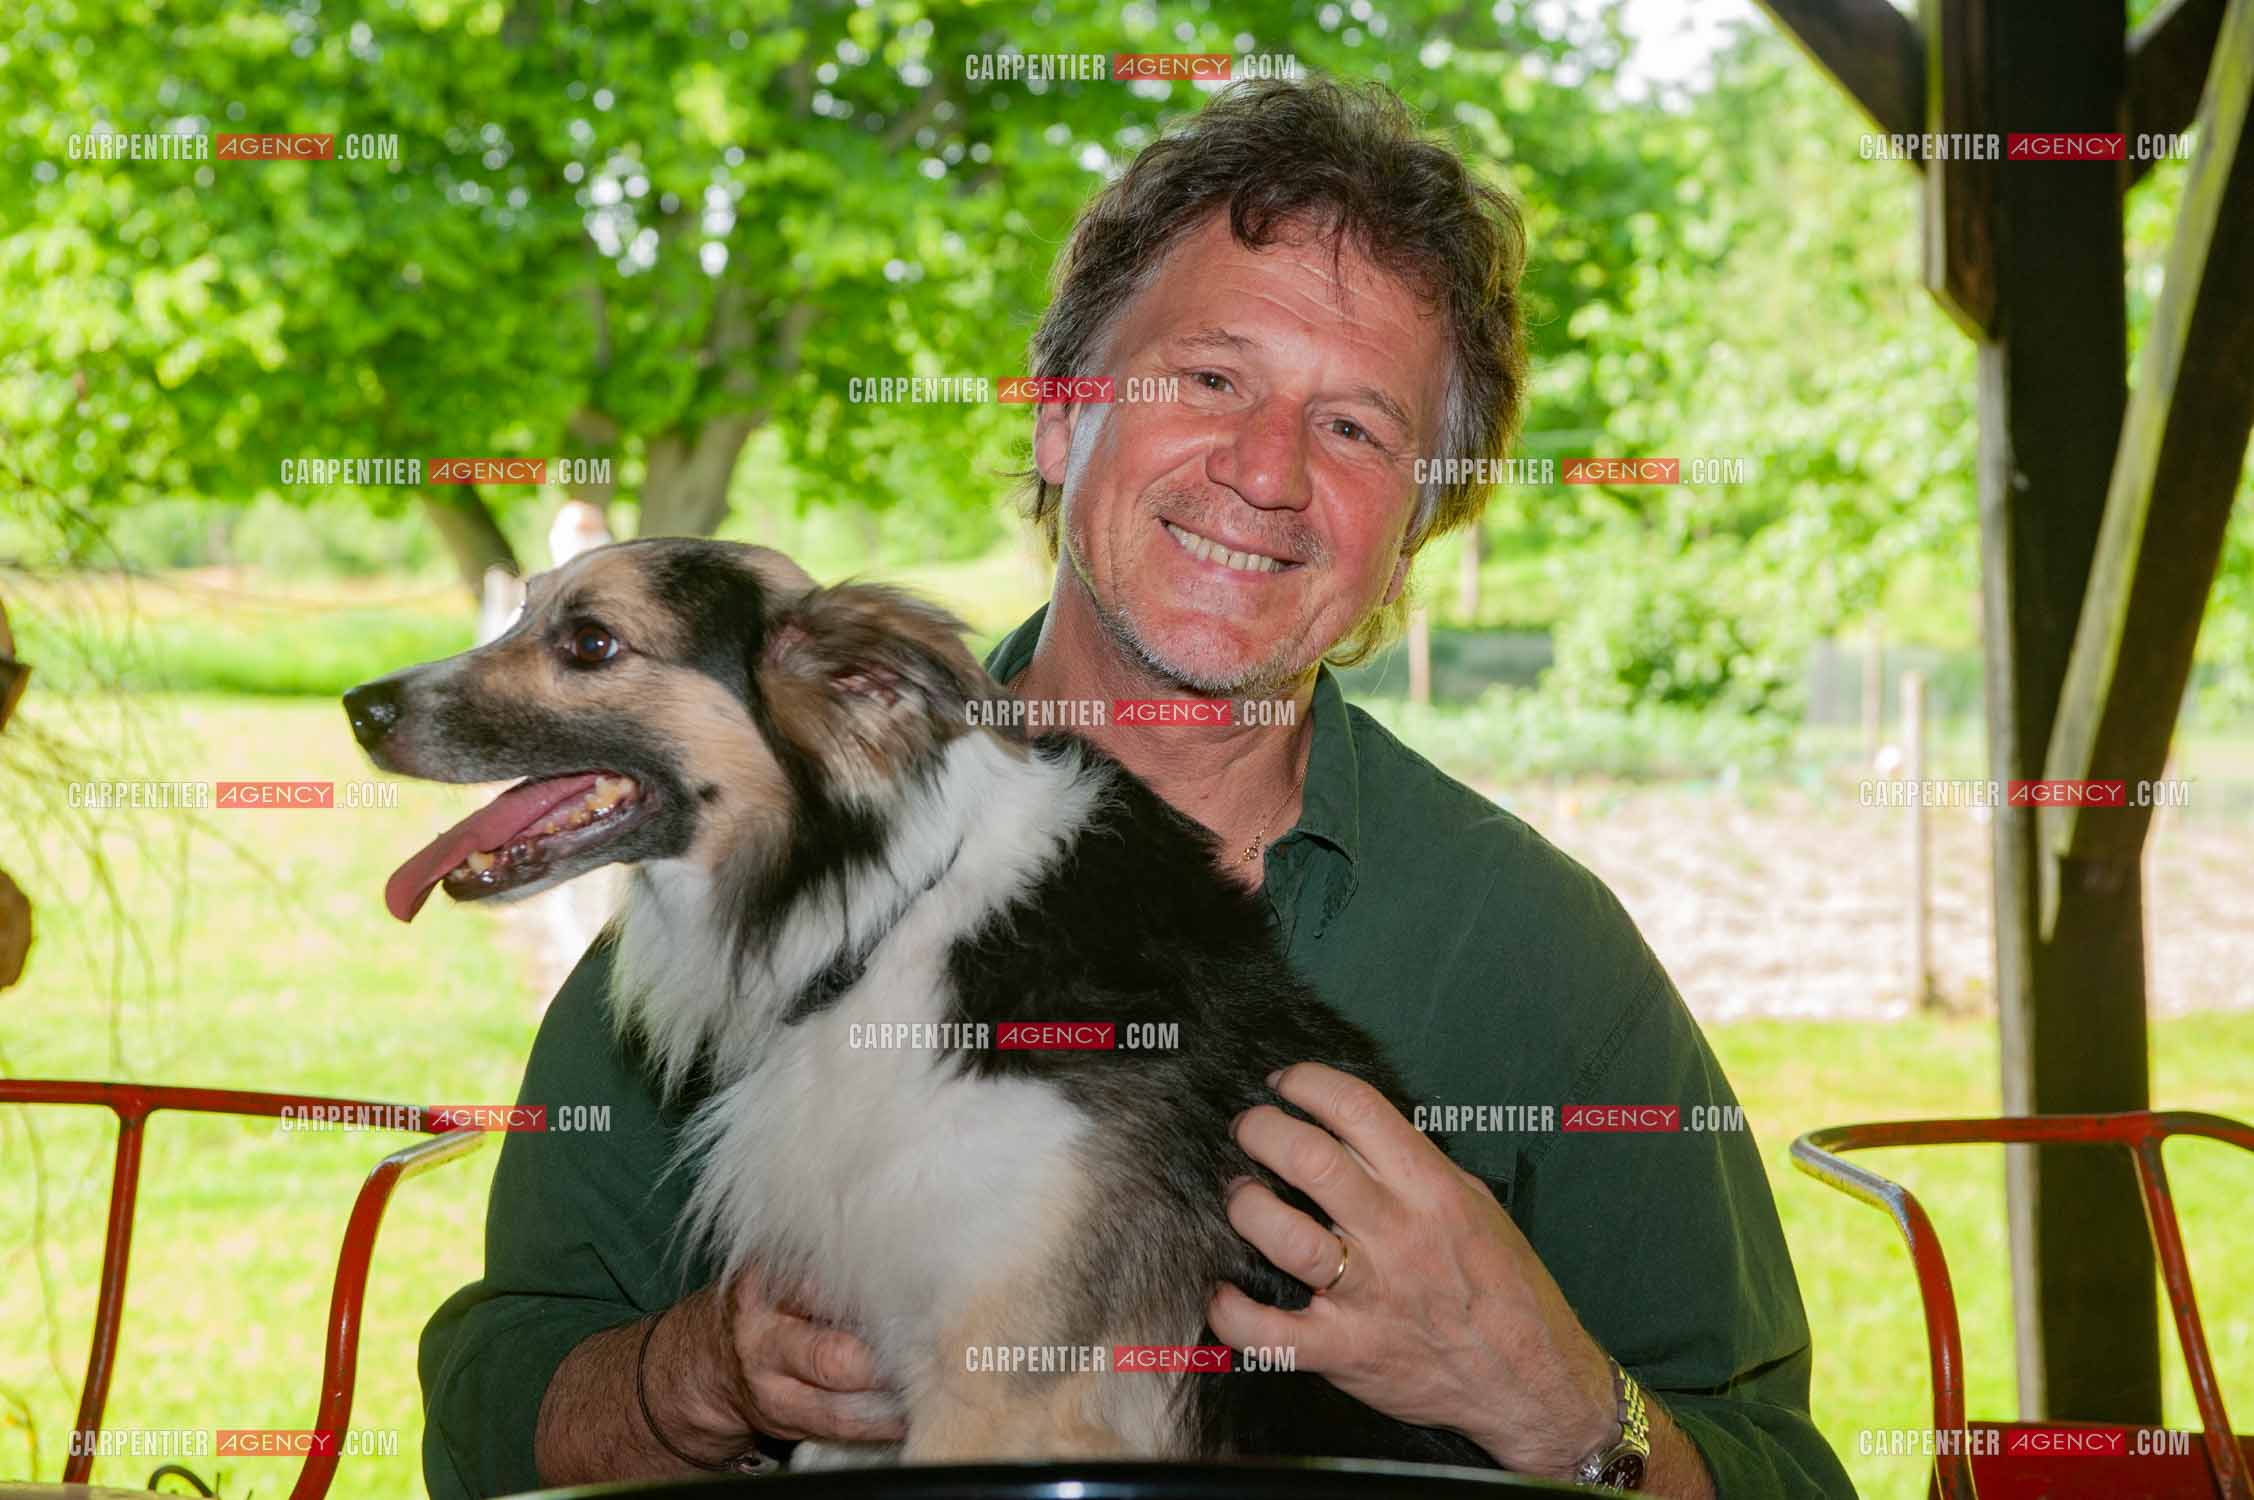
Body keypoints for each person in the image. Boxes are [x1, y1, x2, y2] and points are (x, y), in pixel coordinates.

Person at [420, 78, 1855, 1498]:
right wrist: (696, 1380)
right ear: (1058, 421)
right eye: (1209, 378)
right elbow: (487, 1421)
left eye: (1357, 429)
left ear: (1410, 538)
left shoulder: (1529, 954)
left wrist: (1554, 1406)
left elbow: (1784, 1477)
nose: (1268, 471)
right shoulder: (765, 874)